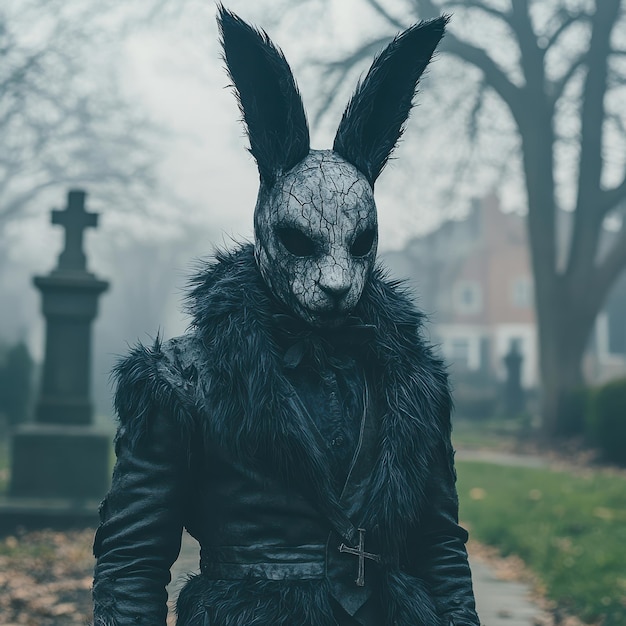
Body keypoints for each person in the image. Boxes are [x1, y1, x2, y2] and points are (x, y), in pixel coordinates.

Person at [92, 7, 480, 626]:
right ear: (266, 228)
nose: (334, 277)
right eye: (304, 243)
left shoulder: (414, 384)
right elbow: (133, 558)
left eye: (356, 246)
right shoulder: (182, 384)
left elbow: (437, 545)